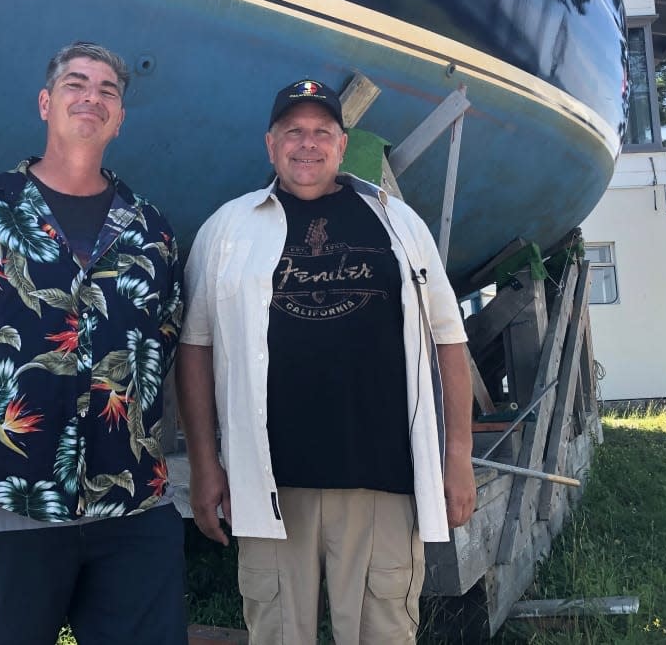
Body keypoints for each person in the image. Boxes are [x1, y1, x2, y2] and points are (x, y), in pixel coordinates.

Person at [0, 42, 185, 645]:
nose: (92, 97)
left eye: (108, 90)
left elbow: (165, 339)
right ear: (46, 103)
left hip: (129, 499)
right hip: (5, 495)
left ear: (121, 118)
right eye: (77, 84)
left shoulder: (150, 228)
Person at [176, 79, 476, 645]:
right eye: (293, 132)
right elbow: (195, 349)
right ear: (270, 145)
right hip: (268, 483)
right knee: (277, 635)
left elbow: (448, 341)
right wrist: (204, 465)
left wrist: (457, 457)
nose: (306, 144)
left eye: (321, 133)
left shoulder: (399, 225)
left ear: (342, 145)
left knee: (381, 633)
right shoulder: (227, 230)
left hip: (381, 480)